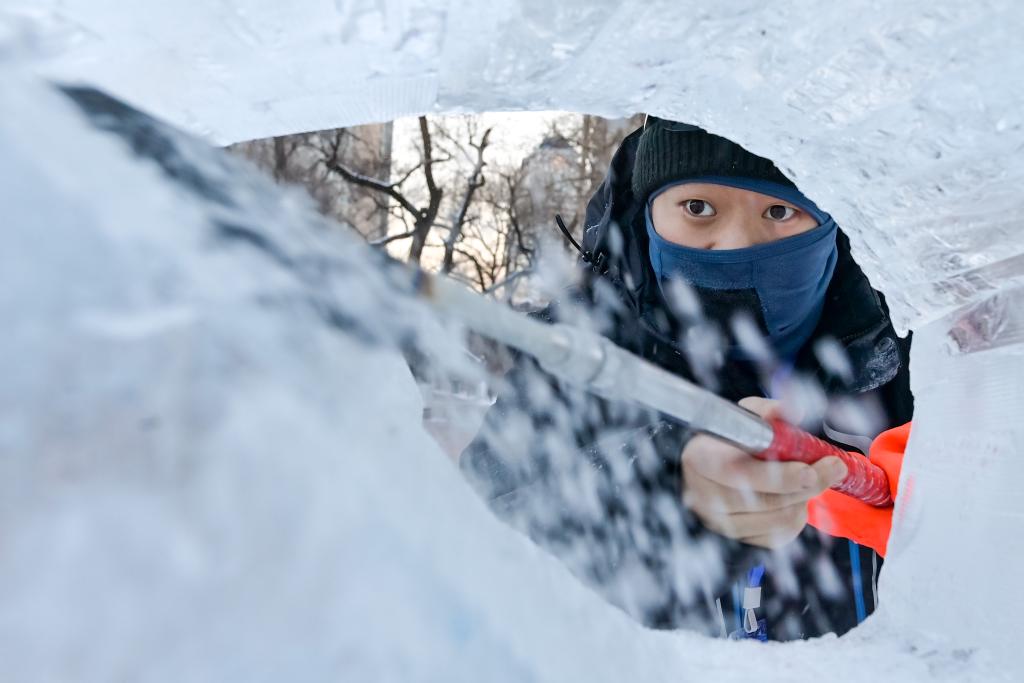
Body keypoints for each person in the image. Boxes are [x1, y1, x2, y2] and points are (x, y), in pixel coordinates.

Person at [459, 117, 913, 641]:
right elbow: (470, 558)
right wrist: (662, 495)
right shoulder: (574, 357)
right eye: (698, 208)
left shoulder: (912, 359)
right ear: (650, 211)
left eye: (780, 210)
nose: (733, 245)